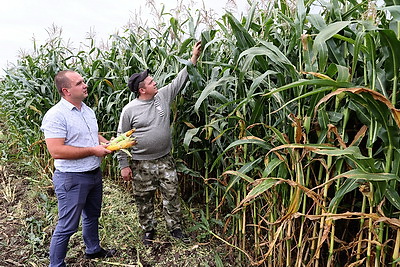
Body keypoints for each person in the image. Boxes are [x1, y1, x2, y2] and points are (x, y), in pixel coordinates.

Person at [117, 41, 202, 245]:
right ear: (141, 89)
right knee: (144, 198)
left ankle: (175, 228)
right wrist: (124, 165)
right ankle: (148, 230)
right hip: (140, 163)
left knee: (171, 194)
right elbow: (121, 138)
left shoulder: (161, 96)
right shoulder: (129, 110)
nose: (155, 82)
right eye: (151, 82)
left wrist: (194, 58)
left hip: (165, 159)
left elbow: (178, 81)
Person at [41, 70, 116, 266]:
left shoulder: (87, 110)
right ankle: (56, 264)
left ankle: (93, 250)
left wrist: (107, 143)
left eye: (84, 81)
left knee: (92, 215)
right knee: (67, 226)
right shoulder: (56, 115)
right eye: (79, 83)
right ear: (66, 90)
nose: (85, 85)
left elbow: (93, 135)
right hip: (72, 178)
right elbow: (56, 151)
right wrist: (93, 150)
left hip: (93, 173)